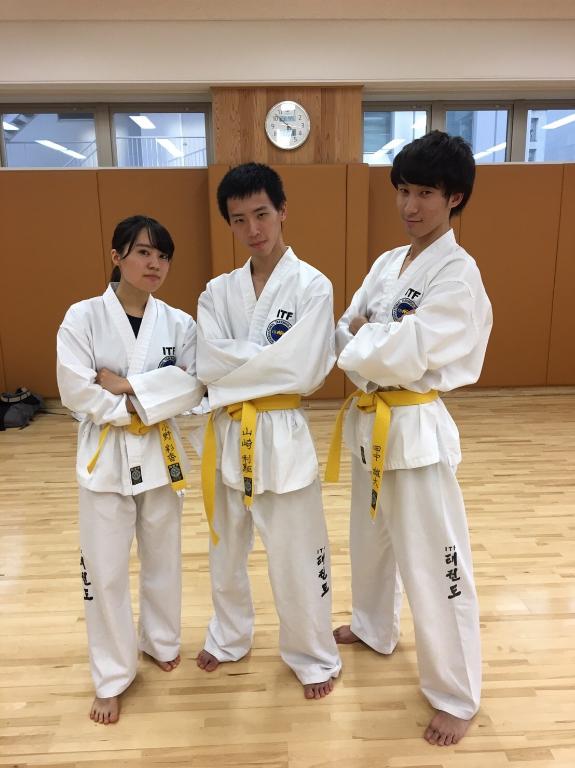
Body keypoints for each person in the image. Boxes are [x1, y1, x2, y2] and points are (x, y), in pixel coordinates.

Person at [327, 131, 492, 744]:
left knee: (435, 561)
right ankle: (374, 627)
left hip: (416, 429)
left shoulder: (458, 276)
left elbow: (404, 350)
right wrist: (369, 339)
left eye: (425, 193)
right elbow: (346, 329)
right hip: (370, 423)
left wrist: (366, 339)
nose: (409, 205)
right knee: (369, 541)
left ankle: (457, 692)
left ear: (455, 199)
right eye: (403, 190)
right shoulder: (387, 264)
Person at [195, 162, 341, 699]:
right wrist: (260, 363)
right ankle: (229, 636)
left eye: (261, 214)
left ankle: (313, 654)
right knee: (225, 552)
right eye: (239, 220)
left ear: (282, 211)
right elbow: (206, 362)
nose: (253, 228)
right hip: (229, 433)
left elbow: (305, 368)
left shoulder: (313, 286)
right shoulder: (217, 292)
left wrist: (234, 369)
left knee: (298, 553)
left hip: (281, 433)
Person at [57, 215, 204, 725]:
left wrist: (127, 387)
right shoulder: (83, 317)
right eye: (143, 252)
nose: (154, 264)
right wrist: (142, 404)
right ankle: (112, 676)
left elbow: (195, 386)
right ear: (117, 256)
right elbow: (76, 389)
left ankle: (160, 641)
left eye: (163, 256)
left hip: (161, 455)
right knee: (105, 569)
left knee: (163, 556)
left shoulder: (179, 323)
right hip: (105, 457)